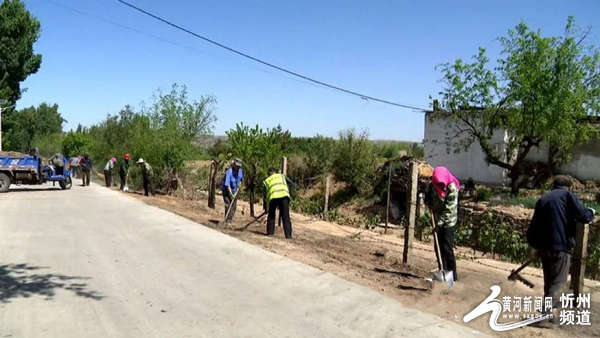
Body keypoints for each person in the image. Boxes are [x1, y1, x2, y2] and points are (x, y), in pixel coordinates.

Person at [527, 175, 595, 325]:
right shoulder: (567, 196)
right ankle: (545, 315)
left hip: (544, 247)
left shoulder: (543, 199)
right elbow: (584, 215)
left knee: (549, 281)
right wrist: (591, 212)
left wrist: (534, 245)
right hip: (561, 247)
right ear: (569, 187)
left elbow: (534, 227)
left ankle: (548, 314)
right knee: (558, 282)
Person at [425, 166, 460, 282]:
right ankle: (443, 272)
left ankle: (453, 276)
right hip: (437, 219)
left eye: (441, 184)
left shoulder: (452, 188)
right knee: (438, 247)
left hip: (449, 221)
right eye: (437, 184)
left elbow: (449, 211)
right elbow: (429, 195)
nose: (440, 186)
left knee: (446, 248)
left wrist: (439, 226)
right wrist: (427, 200)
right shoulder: (433, 184)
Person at [262, 167, 295, 239]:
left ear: (269, 173)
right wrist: (290, 195)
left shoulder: (267, 180)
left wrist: (265, 208)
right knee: (286, 216)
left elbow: (265, 196)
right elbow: (292, 184)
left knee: (271, 215)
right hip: (284, 196)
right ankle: (288, 236)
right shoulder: (282, 176)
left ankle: (270, 233)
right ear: (275, 172)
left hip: (273, 197)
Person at [221, 158, 243, 225]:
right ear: (234, 165)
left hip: (235, 190)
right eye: (237, 165)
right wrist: (231, 194)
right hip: (226, 191)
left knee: (234, 206)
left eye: (239, 166)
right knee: (228, 204)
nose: (238, 167)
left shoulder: (240, 171)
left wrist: (240, 184)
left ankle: (230, 220)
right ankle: (227, 220)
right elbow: (227, 185)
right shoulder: (229, 172)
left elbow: (241, 179)